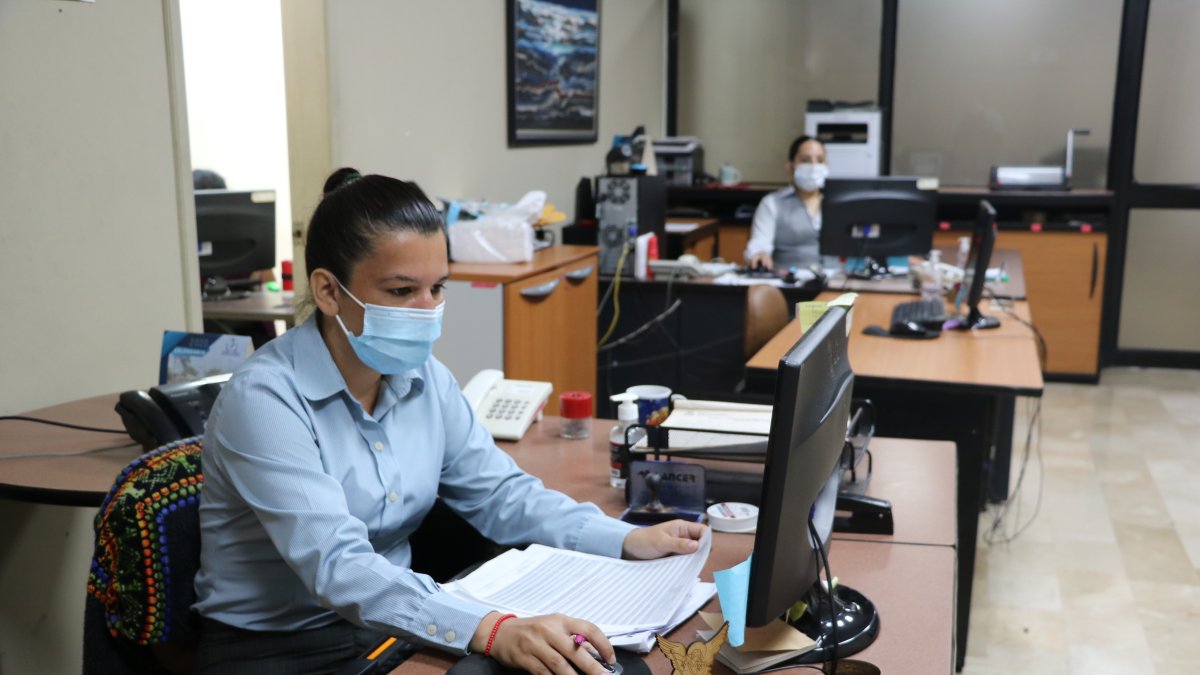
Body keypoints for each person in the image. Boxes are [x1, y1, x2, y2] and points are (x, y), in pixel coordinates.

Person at [192, 167, 708, 675]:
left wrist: (618, 538)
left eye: (437, 288)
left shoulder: (424, 377)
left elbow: (500, 493)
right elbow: (338, 567)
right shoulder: (264, 399)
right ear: (328, 292)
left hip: (392, 624)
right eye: (401, 292)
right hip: (279, 649)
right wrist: (493, 628)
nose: (426, 309)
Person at [743, 135, 829, 271]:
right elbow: (759, 245)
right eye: (805, 160)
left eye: (819, 160)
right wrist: (759, 255)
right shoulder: (772, 203)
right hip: (790, 283)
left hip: (836, 283)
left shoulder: (837, 202)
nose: (814, 166)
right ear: (790, 166)